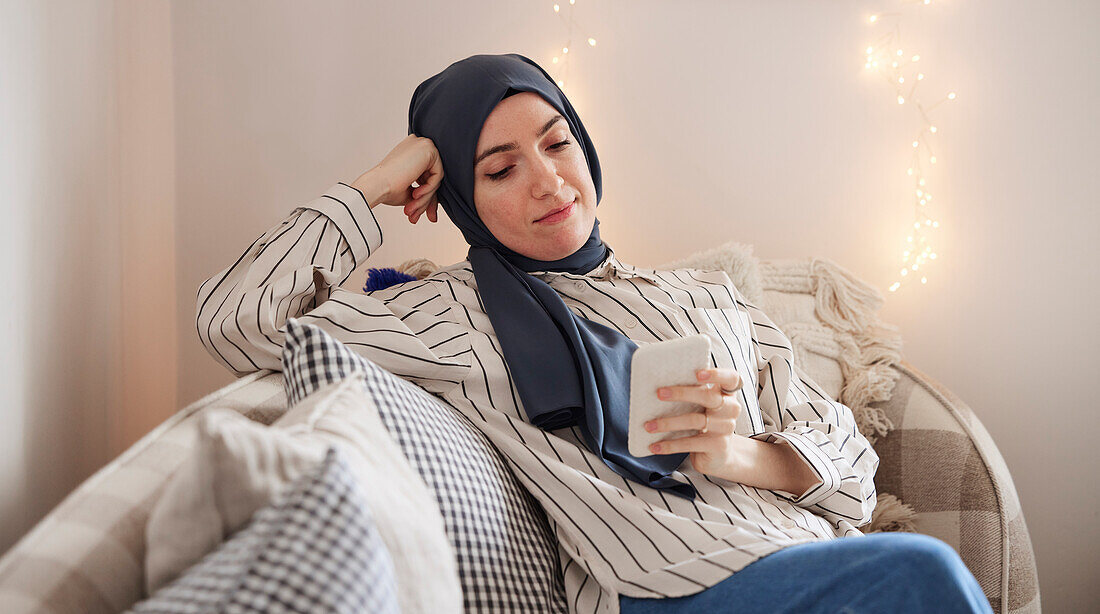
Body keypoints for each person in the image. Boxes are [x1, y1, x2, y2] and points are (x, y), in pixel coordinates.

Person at [196, 53, 993, 614]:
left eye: (556, 141)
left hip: (811, 561)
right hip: (670, 588)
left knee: (908, 573)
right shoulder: (442, 314)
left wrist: (737, 454)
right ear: (458, 200)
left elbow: (852, 469)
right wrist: (374, 183)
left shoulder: (708, 297)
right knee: (922, 574)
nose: (546, 179)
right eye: (499, 169)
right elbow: (239, 319)